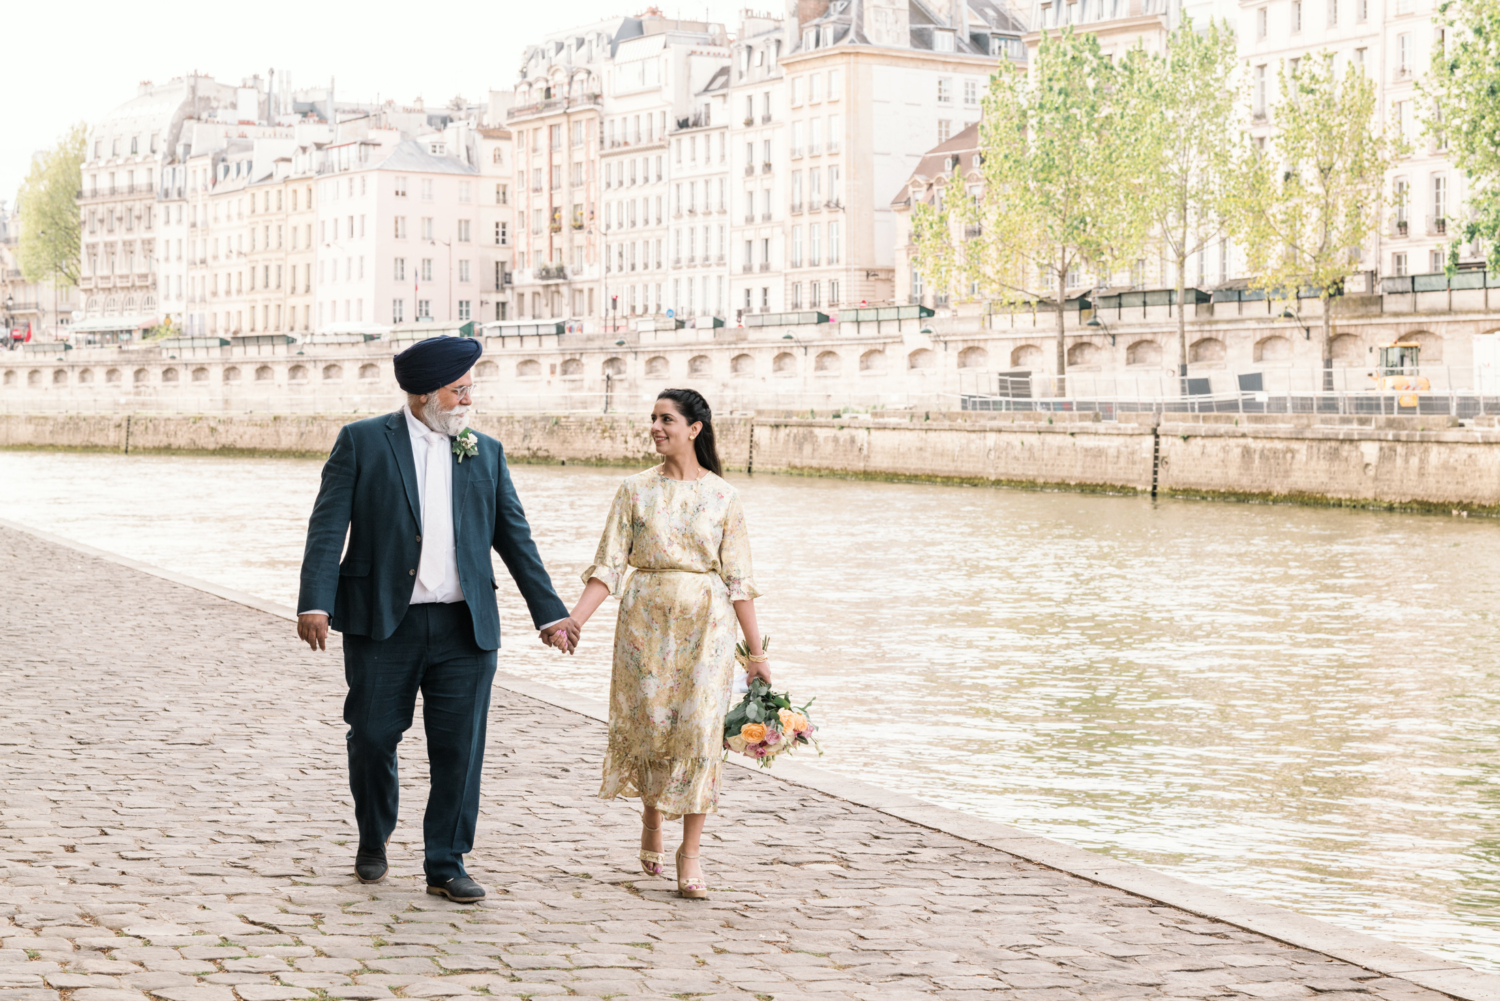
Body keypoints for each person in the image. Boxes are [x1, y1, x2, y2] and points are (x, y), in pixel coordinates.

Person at [295, 335, 579, 903]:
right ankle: (374, 835)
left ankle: (446, 862)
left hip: (464, 627)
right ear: (425, 394)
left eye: (469, 389)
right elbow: (328, 527)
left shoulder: (485, 451)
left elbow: (514, 538)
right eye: (459, 390)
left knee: (459, 748)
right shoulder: (362, 441)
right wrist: (314, 601)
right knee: (373, 736)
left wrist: (550, 613)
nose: (468, 400)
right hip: (383, 623)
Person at [564, 388, 769, 899]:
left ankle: (690, 851)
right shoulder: (634, 490)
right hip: (644, 622)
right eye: (653, 418)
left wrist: (757, 654)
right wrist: (575, 620)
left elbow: (740, 581)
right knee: (652, 722)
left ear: (694, 428)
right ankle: (651, 816)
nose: (655, 427)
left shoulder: (724, 497)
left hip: (707, 625)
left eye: (666, 419)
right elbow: (609, 566)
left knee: (699, 732)